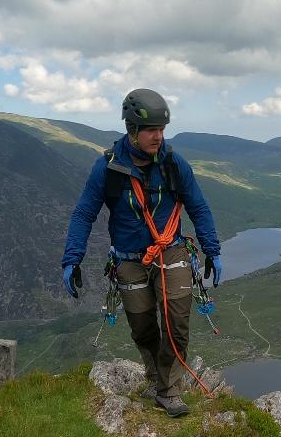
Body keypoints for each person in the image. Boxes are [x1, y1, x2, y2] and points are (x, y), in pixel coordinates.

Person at [62, 88, 222, 417]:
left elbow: (199, 208)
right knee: (143, 327)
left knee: (177, 323)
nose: (159, 137)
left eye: (163, 129)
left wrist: (212, 249)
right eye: (152, 130)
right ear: (131, 130)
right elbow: (83, 214)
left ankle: (169, 390)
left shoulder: (173, 164)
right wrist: (72, 258)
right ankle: (155, 377)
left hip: (172, 252)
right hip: (129, 261)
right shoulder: (107, 168)